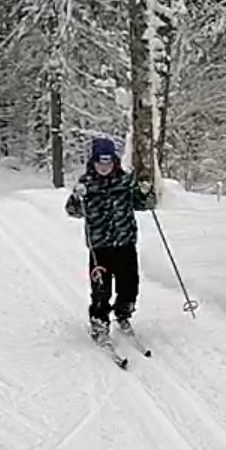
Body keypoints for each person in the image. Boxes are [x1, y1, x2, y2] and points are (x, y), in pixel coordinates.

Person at [64, 137, 156, 341]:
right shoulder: (85, 184)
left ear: (114, 161)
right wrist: (77, 199)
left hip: (125, 243)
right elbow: (72, 211)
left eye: (108, 162)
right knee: (101, 289)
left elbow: (145, 205)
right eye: (100, 162)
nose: (104, 167)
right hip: (100, 247)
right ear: (93, 162)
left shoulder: (126, 181)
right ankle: (99, 322)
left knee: (129, 284)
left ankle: (124, 311)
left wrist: (146, 192)